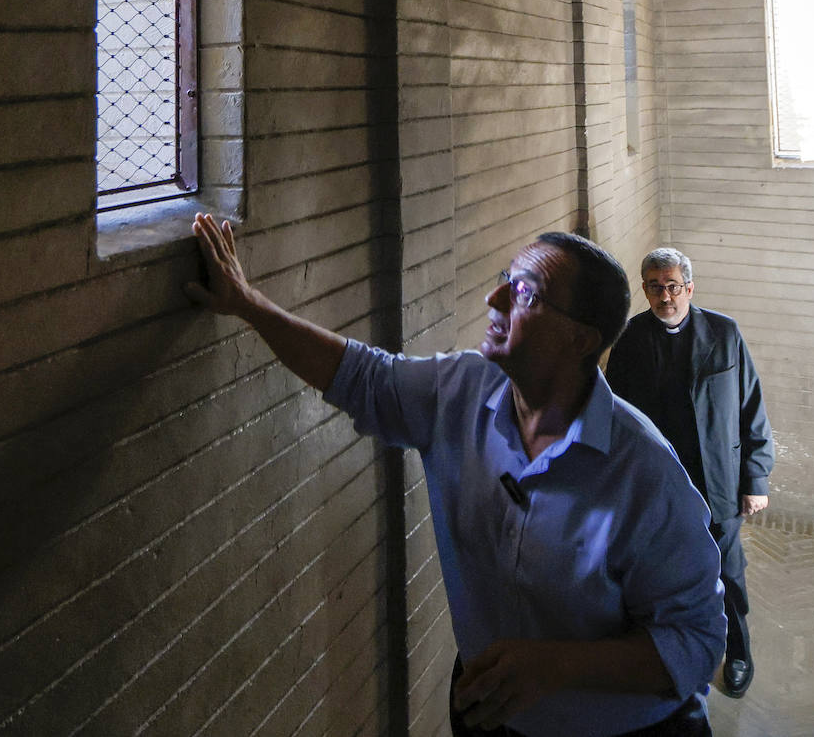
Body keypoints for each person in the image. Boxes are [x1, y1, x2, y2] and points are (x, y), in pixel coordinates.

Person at [188, 214, 725, 736]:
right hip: (490, 714)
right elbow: (361, 376)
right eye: (502, 283)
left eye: (524, 295)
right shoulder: (463, 390)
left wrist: (558, 666)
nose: (494, 301)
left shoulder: (644, 472)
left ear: (579, 340)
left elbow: (697, 640)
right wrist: (246, 303)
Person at [605, 247, 773, 701]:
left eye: (673, 286)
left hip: (718, 482)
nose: (665, 296)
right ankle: (671, 657)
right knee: (661, 575)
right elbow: (614, 422)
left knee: (729, 575)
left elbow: (751, 409)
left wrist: (755, 480)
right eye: (656, 287)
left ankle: (736, 653)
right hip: (660, 488)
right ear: (645, 291)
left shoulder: (724, 333)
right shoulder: (629, 341)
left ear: (689, 288)